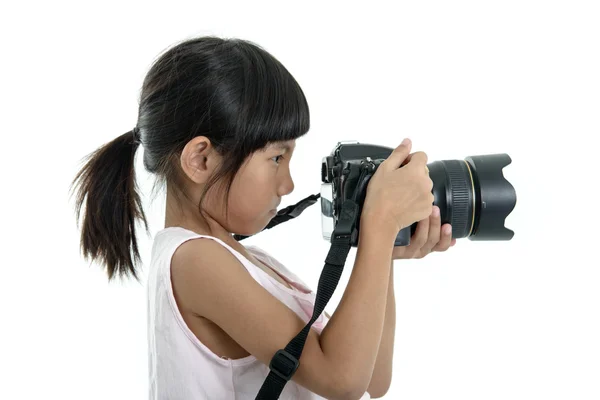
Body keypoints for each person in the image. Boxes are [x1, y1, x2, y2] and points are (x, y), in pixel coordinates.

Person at [70, 35, 439, 400]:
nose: (289, 184)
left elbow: (371, 377)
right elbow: (341, 381)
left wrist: (384, 246)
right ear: (201, 160)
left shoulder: (244, 261)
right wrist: (380, 221)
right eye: (277, 158)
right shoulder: (195, 260)